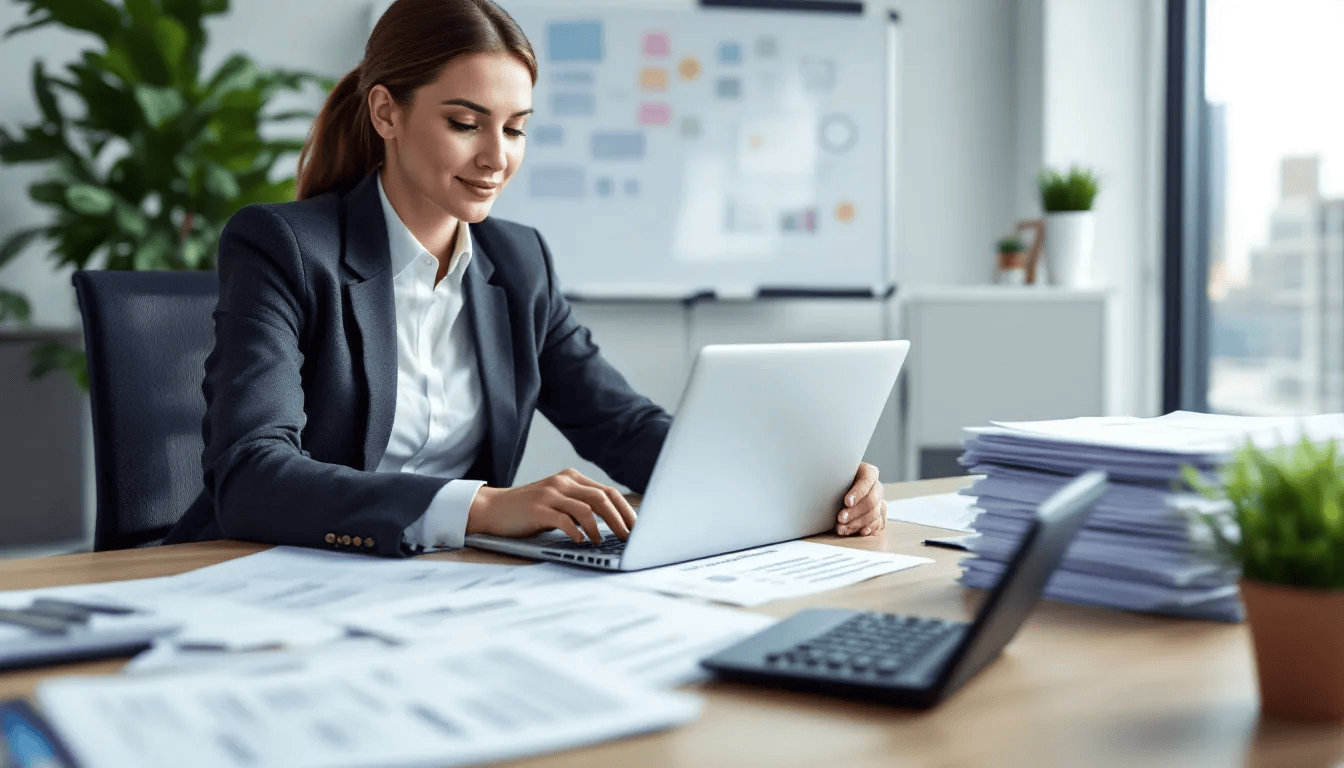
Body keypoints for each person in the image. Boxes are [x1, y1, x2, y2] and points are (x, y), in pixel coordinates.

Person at [165, 0, 888, 557]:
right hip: (269, 575)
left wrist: (801, 479)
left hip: (442, 586)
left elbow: (620, 424)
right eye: (465, 123)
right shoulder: (286, 247)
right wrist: (481, 507)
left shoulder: (518, 262)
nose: (496, 157)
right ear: (386, 112)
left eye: (515, 128)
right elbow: (251, 475)